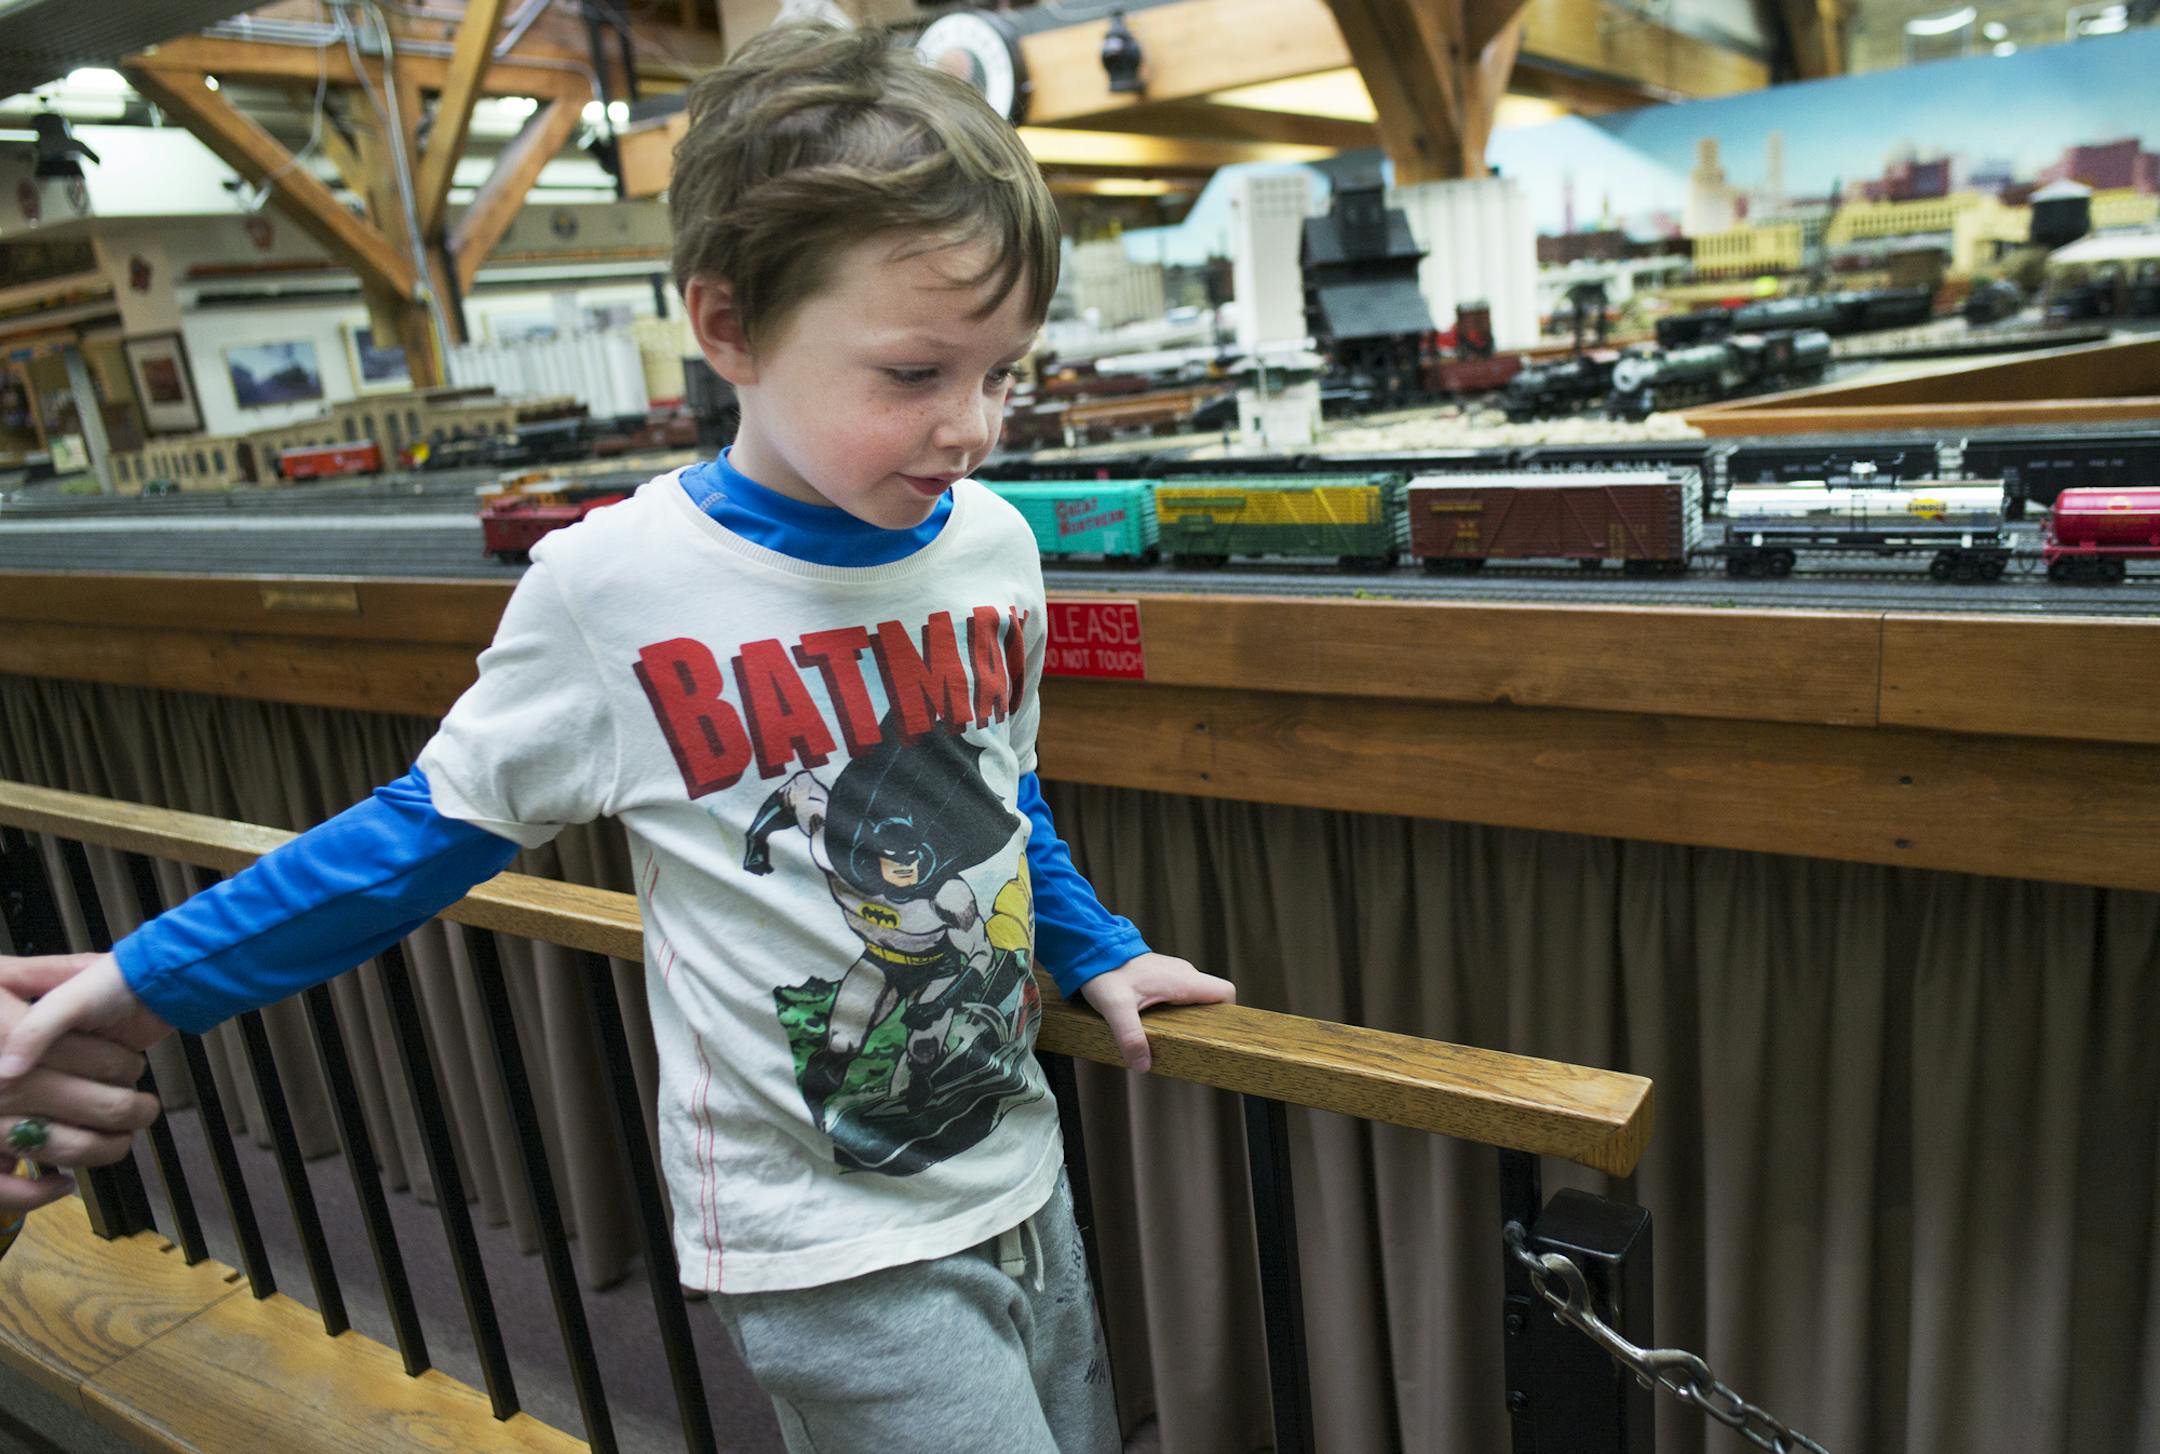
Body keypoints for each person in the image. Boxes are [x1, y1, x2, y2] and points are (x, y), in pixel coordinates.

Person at [0, 21, 1235, 1450]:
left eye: (1004, 371)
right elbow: (419, 836)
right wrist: (148, 980)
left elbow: (1002, 788)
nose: (973, 426)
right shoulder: (613, 586)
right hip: (821, 1242)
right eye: (914, 374)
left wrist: (1093, 946)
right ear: (728, 328)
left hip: (1019, 1172)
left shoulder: (995, 548)